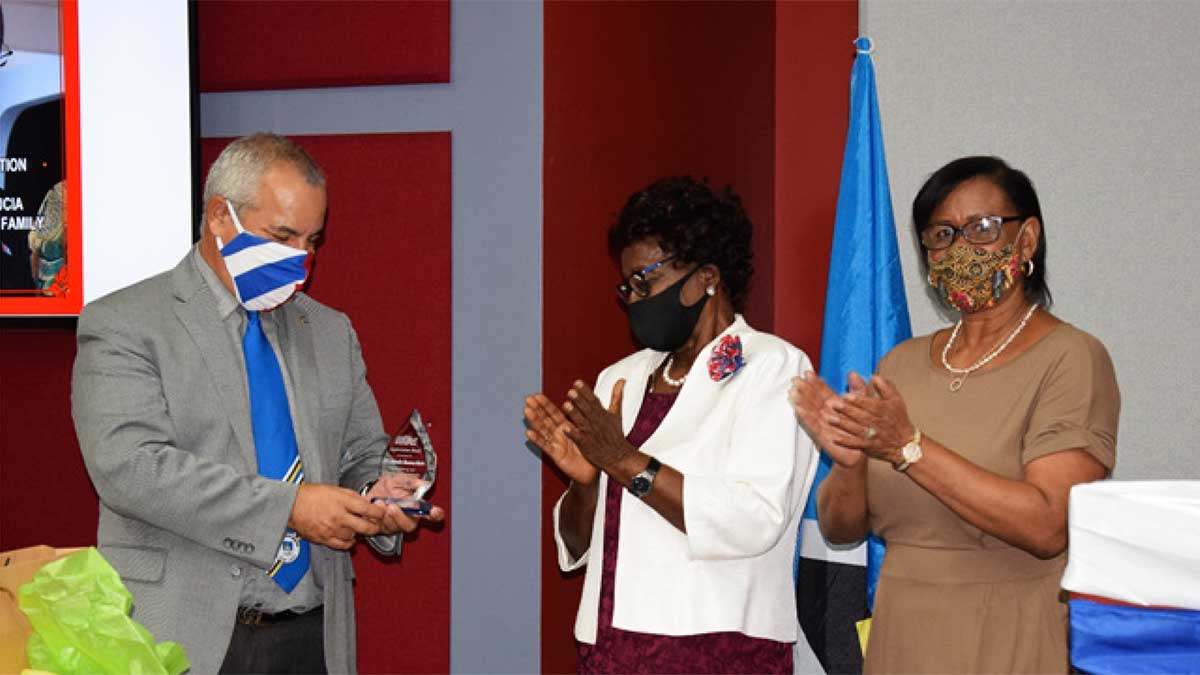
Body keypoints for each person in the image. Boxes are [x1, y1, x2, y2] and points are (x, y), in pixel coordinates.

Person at [72, 133, 444, 674]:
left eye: (312, 241)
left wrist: (377, 493)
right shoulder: (126, 323)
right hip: (182, 635)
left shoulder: (329, 331)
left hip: (310, 634)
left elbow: (362, 452)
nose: (301, 260)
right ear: (221, 217)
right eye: (283, 236)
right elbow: (131, 470)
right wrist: (290, 507)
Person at [789, 156, 1119, 674]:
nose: (961, 247)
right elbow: (842, 528)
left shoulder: (1072, 357)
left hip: (1011, 631)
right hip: (901, 631)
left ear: (1026, 239)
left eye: (982, 228)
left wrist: (909, 447)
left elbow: (1048, 526)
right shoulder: (902, 362)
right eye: (942, 234)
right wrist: (850, 458)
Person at [525, 176, 818, 674]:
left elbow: (755, 520)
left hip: (718, 648)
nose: (635, 300)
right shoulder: (620, 378)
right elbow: (578, 546)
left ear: (706, 275)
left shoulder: (773, 367)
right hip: (610, 648)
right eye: (628, 287)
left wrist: (622, 459)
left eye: (647, 281)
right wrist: (586, 484)